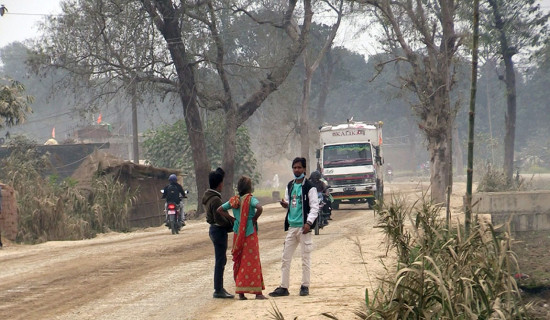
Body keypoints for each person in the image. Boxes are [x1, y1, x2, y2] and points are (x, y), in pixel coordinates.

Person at [269, 157, 319, 297]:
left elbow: (315, 207)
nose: (297, 170)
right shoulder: (290, 185)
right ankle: (284, 287)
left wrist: (308, 223)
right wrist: (286, 205)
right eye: (295, 167)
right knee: (285, 258)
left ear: (304, 169)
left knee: (305, 258)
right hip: (292, 227)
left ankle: (305, 286)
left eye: (299, 167)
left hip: (304, 228)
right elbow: (291, 203)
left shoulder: (310, 187)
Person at [217, 176, 267, 300]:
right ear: (249, 188)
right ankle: (258, 293)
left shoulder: (235, 200)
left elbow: (220, 210)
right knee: (253, 262)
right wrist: (254, 218)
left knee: (239, 261)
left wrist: (232, 219)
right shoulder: (251, 199)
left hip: (237, 233)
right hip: (249, 234)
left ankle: (241, 292)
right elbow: (260, 208)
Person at [202, 168, 235, 299]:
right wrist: (232, 224)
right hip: (218, 231)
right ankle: (218, 289)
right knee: (220, 260)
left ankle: (219, 288)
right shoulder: (216, 199)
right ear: (219, 184)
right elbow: (220, 219)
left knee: (221, 259)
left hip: (214, 230)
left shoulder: (208, 196)